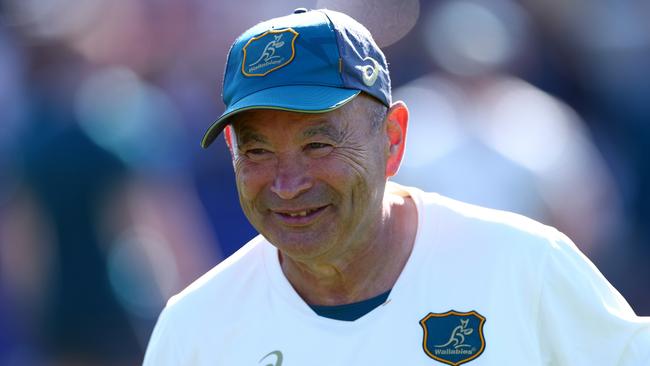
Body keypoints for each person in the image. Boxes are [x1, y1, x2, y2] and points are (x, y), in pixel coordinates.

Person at [143, 8, 650, 365]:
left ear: (393, 139)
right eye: (257, 152)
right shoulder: (195, 328)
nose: (288, 183)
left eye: (319, 145)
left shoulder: (528, 268)